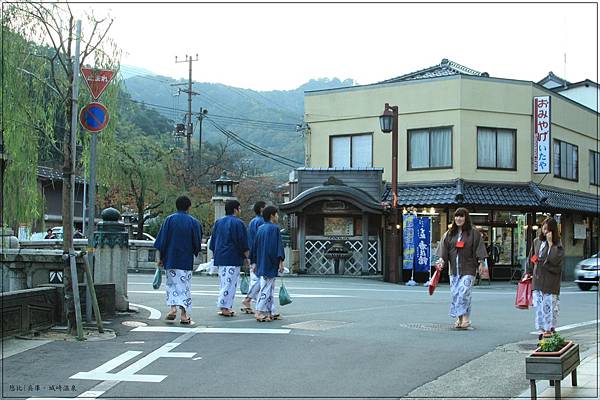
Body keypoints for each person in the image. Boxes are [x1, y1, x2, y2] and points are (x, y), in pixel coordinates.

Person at [153, 196, 202, 325]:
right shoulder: (193, 222)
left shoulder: (169, 220)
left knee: (172, 285)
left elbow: (161, 241)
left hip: (170, 259)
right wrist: (195, 250)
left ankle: (173, 308)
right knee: (185, 287)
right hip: (185, 260)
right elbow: (197, 242)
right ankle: (184, 315)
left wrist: (160, 258)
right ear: (189, 207)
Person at [436, 208, 487, 329]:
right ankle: (459, 319)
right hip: (453, 269)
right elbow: (444, 250)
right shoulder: (449, 233)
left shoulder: (474, 233)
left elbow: (479, 249)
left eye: (461, 216)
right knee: (455, 294)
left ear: (466, 218)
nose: (458, 219)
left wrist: (481, 263)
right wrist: (441, 261)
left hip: (468, 268)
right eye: (457, 216)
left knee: (464, 293)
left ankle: (466, 319)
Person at [524, 217, 564, 339]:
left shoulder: (557, 244)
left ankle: (549, 327)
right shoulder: (537, 241)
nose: (545, 231)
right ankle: (542, 327)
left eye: (548, 229)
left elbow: (555, 260)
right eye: (543, 228)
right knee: (539, 305)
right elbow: (532, 257)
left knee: (549, 304)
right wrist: (528, 271)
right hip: (538, 276)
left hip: (551, 279)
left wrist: (551, 244)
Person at [210, 199, 249, 317]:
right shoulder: (238, 223)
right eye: (239, 208)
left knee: (224, 282)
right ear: (235, 210)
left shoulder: (218, 222)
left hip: (221, 257)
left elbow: (213, 241)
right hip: (232, 257)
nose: (240, 211)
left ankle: (225, 306)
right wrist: (247, 257)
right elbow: (243, 242)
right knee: (230, 283)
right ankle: (224, 306)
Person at [251, 205, 285, 322]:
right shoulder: (275, 229)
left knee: (268, 287)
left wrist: (254, 262)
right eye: (276, 214)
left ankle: (270, 311)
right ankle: (259, 311)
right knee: (266, 288)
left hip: (261, 261)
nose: (277, 216)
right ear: (272, 215)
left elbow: (254, 247)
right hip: (270, 262)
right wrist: (281, 262)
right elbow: (278, 247)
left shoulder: (260, 228)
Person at [240, 201, 266, 314]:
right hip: (259, 254)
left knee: (256, 279)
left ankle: (250, 302)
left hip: (252, 253)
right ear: (261, 209)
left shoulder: (252, 222)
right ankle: (249, 300)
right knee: (262, 279)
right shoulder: (261, 222)